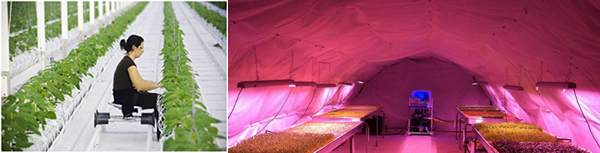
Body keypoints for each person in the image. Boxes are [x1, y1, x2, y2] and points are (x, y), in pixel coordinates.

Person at [113, 34, 162, 119]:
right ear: (134, 47)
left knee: (158, 98)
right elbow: (140, 86)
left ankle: (161, 128)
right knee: (161, 101)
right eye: (141, 48)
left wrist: (160, 83)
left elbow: (141, 82)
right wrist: (161, 84)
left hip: (124, 96)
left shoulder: (127, 61)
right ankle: (162, 130)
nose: (143, 51)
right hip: (127, 98)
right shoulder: (129, 64)